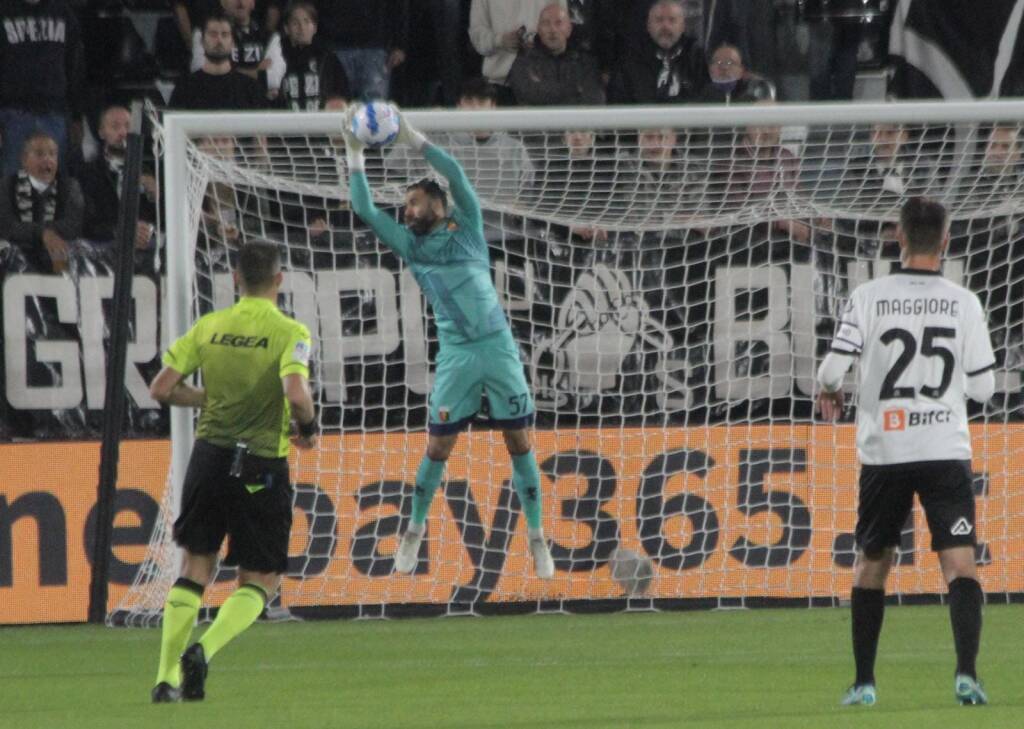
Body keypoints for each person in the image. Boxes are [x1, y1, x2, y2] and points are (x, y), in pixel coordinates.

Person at [342, 104, 555, 579]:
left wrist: (413, 137)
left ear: (439, 205)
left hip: (498, 347)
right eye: (406, 205)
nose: (407, 209)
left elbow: (454, 172)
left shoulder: (470, 229)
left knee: (519, 442)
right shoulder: (410, 245)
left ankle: (538, 538)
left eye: (414, 202)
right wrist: (354, 152)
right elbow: (363, 208)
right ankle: (414, 532)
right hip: (457, 355)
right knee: (438, 448)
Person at [816, 197, 995, 707]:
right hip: (943, 448)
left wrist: (831, 388)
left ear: (898, 236)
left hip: (885, 450)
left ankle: (865, 683)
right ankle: (966, 675)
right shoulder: (964, 302)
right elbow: (983, 390)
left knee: (873, 563)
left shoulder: (869, 295)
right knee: (960, 565)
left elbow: (832, 372)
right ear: (945, 240)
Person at [148, 240, 317, 703]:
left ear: (235, 280)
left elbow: (161, 387)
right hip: (259, 463)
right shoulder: (289, 330)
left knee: (195, 565)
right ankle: (204, 649)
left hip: (208, 458)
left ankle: (165, 680)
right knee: (260, 579)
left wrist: (210, 399)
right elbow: (296, 392)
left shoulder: (209, 325)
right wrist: (309, 428)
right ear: (279, 280)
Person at [0, 0, 85, 177]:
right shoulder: (4, 10)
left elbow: (74, 66)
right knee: (12, 182)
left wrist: (77, 115)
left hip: (54, 113)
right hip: (12, 114)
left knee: (55, 183)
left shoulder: (62, 11)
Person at [0, 130, 83, 274]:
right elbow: (7, 226)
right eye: (39, 154)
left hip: (58, 255)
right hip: (16, 259)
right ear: (24, 160)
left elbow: (73, 225)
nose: (47, 159)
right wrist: (43, 234)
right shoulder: (6, 185)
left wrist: (47, 235)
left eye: (52, 154)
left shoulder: (70, 186)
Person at [79, 104, 158, 249]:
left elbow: (165, 221)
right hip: (107, 243)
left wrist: (158, 196)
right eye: (115, 127)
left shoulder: (151, 171)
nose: (123, 132)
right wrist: (120, 231)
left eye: (128, 126)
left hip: (147, 243)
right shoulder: (88, 173)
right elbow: (87, 224)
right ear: (101, 132)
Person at [608, 0, 708, 105]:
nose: (665, 26)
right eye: (659, 20)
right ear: (648, 26)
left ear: (683, 27)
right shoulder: (629, 61)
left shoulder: (696, 58)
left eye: (672, 20)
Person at [469, 0, 566, 105]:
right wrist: (499, 41)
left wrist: (540, 43)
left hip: (546, 81)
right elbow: (477, 32)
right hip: (501, 84)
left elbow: (564, 26)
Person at [506, 3, 604, 106]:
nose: (552, 30)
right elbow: (531, 96)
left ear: (569, 29)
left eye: (558, 23)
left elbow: (595, 99)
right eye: (546, 23)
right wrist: (576, 89)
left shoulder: (586, 63)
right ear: (538, 29)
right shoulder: (524, 63)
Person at [190, 0, 285, 100]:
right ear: (223, 3)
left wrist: (226, 69)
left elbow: (274, 79)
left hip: (255, 103)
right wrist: (257, 71)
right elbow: (199, 67)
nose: (240, 2)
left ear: (253, 3)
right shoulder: (203, 32)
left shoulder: (270, 37)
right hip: (214, 98)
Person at [170, 12, 267, 110]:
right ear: (202, 41)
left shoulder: (250, 88)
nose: (219, 40)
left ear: (233, 42)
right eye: (213, 34)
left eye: (224, 35)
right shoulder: (184, 88)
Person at [316, 0, 409, 100]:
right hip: (334, 47)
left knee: (374, 108)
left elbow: (398, 5)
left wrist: (399, 44)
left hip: (374, 49)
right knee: (335, 106)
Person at [278, 1, 351, 111]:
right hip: (286, 123)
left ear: (315, 27)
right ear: (286, 28)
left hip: (320, 123)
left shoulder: (328, 58)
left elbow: (342, 94)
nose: (301, 28)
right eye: (295, 23)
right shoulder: (279, 57)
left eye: (306, 22)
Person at [699, 43, 775, 104]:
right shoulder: (702, 94)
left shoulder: (753, 91)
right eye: (718, 62)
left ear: (741, 70)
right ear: (710, 69)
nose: (724, 67)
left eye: (730, 63)